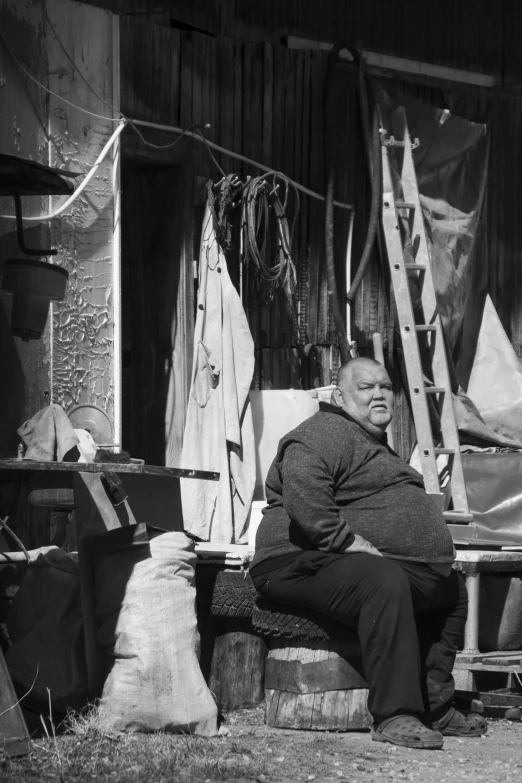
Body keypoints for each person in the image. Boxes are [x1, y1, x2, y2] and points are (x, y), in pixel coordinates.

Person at [249, 357, 486, 749]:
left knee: (450, 589)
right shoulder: (325, 431)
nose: (379, 393)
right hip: (292, 561)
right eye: (366, 387)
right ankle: (394, 714)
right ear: (339, 396)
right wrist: (342, 540)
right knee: (384, 581)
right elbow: (302, 483)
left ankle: (434, 705)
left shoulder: (369, 441)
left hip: (337, 561)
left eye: (385, 386)